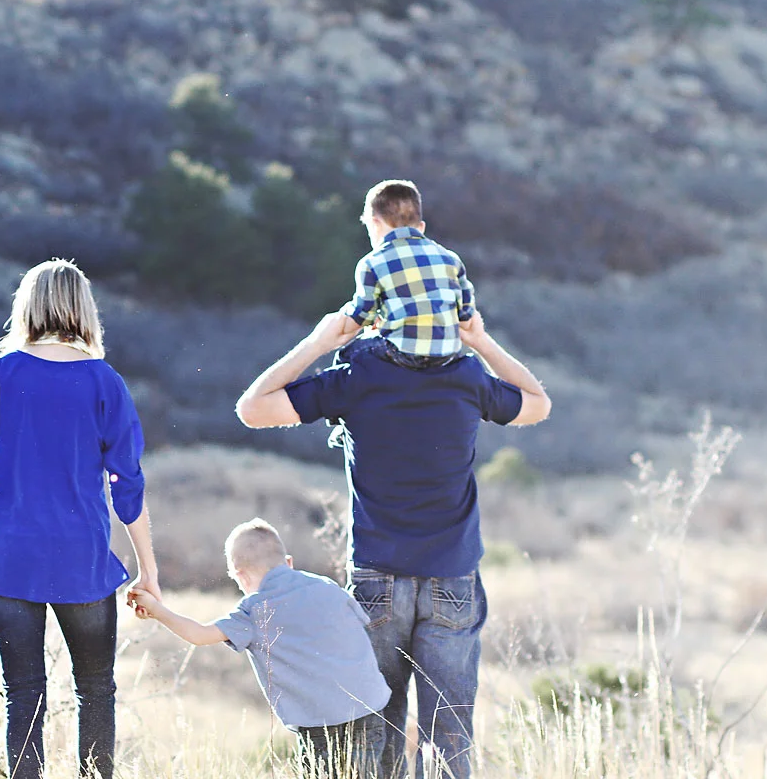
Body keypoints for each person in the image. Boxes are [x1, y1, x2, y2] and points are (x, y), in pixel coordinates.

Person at [236, 309, 551, 779]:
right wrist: (482, 341)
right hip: (453, 578)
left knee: (375, 726)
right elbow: (537, 403)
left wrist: (318, 343)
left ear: (379, 317)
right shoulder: (465, 375)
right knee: (449, 732)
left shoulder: (357, 375)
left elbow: (252, 408)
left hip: (377, 579)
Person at [0, 259, 159, 779]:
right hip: (82, 561)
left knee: (24, 696)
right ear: (84, 309)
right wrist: (147, 568)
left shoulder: (0, 372)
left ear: (27, 308)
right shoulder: (104, 381)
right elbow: (128, 483)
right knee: (96, 691)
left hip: (10, 558)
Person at [130, 518, 390, 778]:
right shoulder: (325, 585)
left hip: (318, 725)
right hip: (368, 709)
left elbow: (199, 634)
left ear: (240, 575)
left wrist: (156, 610)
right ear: (288, 562)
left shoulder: (255, 608)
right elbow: (361, 622)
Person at [319, 179, 477, 370]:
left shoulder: (372, 262)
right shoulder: (451, 259)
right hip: (446, 355)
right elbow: (466, 318)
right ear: (421, 227)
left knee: (347, 354)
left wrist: (340, 320)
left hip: (402, 354)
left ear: (375, 224)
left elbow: (360, 317)